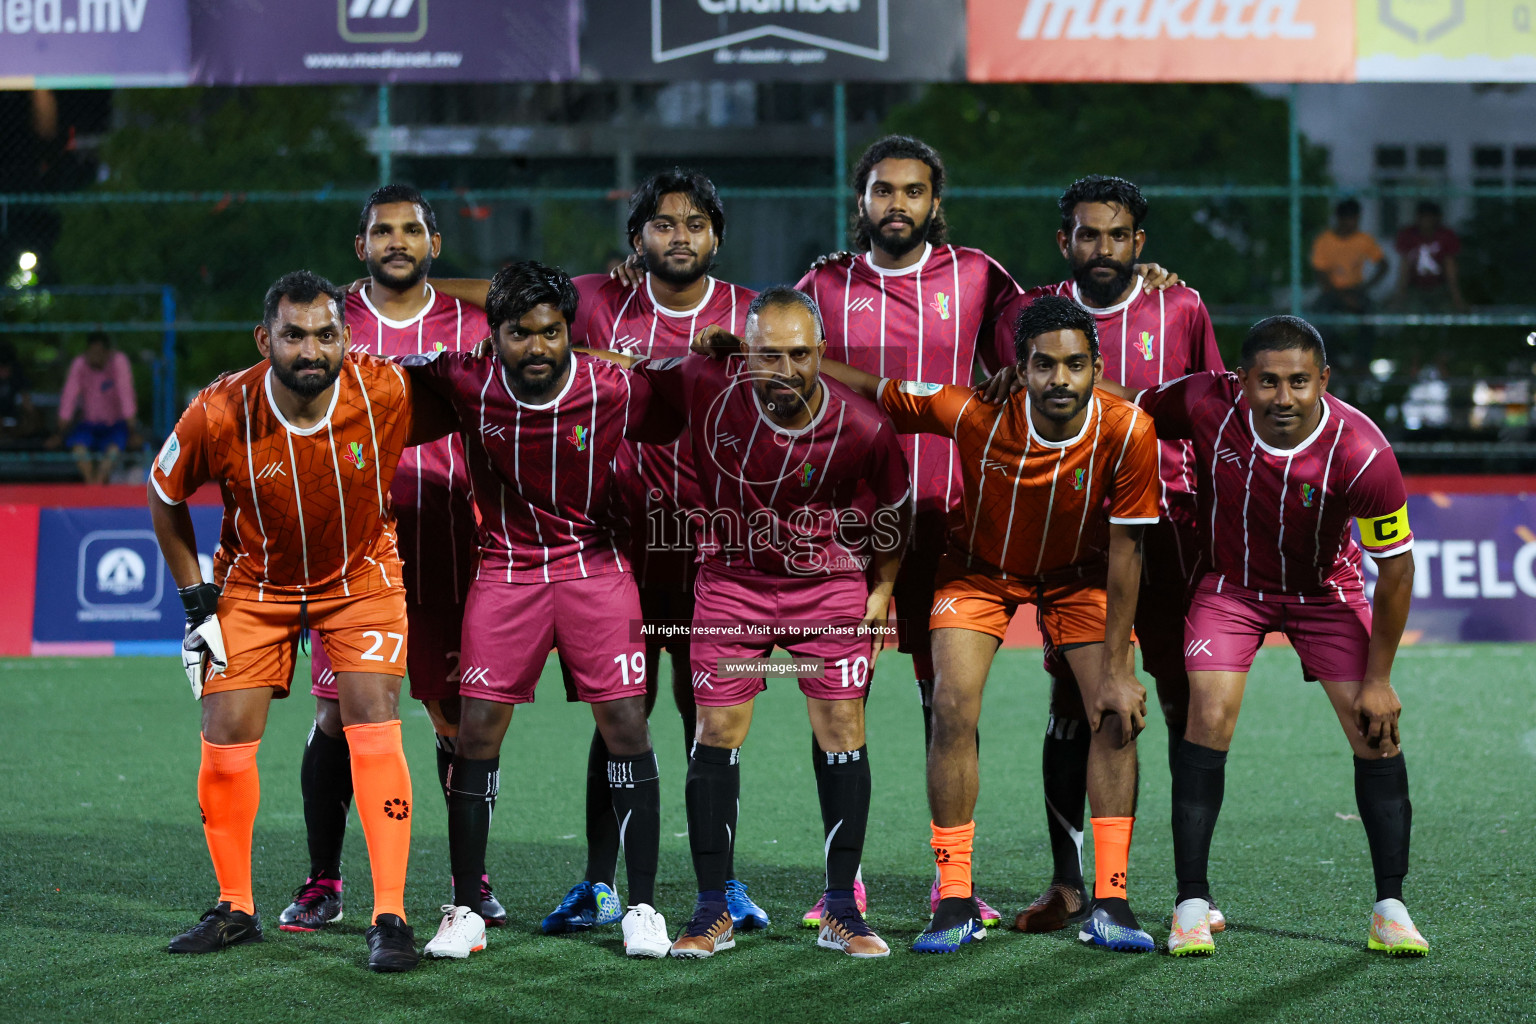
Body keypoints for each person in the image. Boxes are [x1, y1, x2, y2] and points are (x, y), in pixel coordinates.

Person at [796, 136, 1179, 928]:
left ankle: (1083, 893)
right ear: (860, 200)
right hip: (854, 529)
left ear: (937, 202)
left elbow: (1058, 317)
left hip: (963, 531)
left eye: (913, 190)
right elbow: (851, 376)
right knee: (846, 703)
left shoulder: (982, 278)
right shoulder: (823, 282)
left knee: (1084, 704)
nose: (896, 204)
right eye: (881, 190)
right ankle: (846, 884)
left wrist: (1147, 286)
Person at [820, 294, 1162, 954]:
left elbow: (1129, 550)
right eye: (1043, 365)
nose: (1059, 379)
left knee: (1115, 711)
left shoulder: (1129, 429)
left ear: (1096, 366)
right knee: (950, 705)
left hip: (1081, 577)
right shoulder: (973, 411)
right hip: (978, 571)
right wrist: (782, 362)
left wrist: (1119, 669)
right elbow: (876, 391)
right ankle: (954, 900)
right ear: (1020, 368)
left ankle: (1112, 900)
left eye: (1075, 365)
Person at [599, 287, 911, 960]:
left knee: (842, 726)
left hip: (826, 586)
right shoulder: (705, 381)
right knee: (715, 728)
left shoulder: (863, 425)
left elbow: (895, 505)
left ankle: (839, 912)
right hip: (731, 584)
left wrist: (882, 590)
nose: (785, 368)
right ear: (743, 353)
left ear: (821, 353)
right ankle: (712, 911)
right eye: (767, 354)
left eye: (800, 354)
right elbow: (615, 373)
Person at [1102, 315, 1424, 957]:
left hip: (1324, 596)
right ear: (1241, 379)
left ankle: (1390, 907)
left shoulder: (1363, 451)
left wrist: (1381, 680)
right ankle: (1192, 903)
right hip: (1233, 589)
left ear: (1323, 380)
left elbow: (1396, 570)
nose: (1284, 397)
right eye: (1269, 381)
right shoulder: (1203, 401)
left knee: (1375, 732)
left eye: (1300, 382)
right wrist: (1052, 390)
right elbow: (1125, 406)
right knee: (1207, 718)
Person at [148, 271, 437, 972]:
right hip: (253, 587)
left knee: (372, 714)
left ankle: (390, 915)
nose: (312, 348)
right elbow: (163, 495)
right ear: (265, 339)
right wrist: (195, 599)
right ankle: (235, 907)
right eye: (294, 334)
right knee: (225, 733)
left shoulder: (388, 390)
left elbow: (483, 399)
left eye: (327, 333)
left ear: (347, 336)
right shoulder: (218, 412)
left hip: (361, 579)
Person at [406, 261, 667, 960]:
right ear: (494, 335)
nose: (538, 347)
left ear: (569, 333)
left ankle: (642, 907)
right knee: (475, 732)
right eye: (520, 333)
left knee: (626, 723)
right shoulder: (463, 379)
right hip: (507, 572)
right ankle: (464, 910)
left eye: (551, 332)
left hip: (596, 568)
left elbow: (682, 401)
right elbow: (389, 374)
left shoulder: (611, 384)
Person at [988, 176, 1227, 935]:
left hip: (1173, 530)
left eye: (1117, 236)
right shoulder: (1030, 316)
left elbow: (1212, 414)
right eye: (1087, 235)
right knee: (1073, 707)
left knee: (1184, 703)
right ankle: (1068, 885)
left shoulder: (1180, 307)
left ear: (1139, 244)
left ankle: (1194, 889)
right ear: (1065, 242)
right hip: (1078, 541)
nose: (1103, 250)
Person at [279, 185, 501, 935]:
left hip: (447, 538)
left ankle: (470, 882)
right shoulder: (329, 320)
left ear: (435, 244)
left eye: (412, 230)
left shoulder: (474, 322)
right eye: (382, 231)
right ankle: (322, 880)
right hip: (350, 548)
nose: (397, 242)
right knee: (336, 714)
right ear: (360, 246)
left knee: (456, 717)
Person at [551, 168, 767, 936]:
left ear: (716, 236)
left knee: (713, 713)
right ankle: (597, 883)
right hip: (620, 543)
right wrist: (412, 281)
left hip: (717, 545)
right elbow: (499, 302)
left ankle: (726, 883)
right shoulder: (595, 301)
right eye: (664, 223)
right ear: (637, 237)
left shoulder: (749, 313)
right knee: (621, 713)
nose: (680, 236)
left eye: (695, 223)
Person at [1310, 199, 1387, 366]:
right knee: (1322, 318)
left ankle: (1361, 363)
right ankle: (1331, 362)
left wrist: (1365, 287)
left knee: (1369, 317)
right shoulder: (1324, 241)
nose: (1353, 224)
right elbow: (1321, 275)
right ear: (1340, 219)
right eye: (1350, 219)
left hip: (1355, 290)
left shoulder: (1363, 239)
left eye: (1356, 219)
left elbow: (1383, 264)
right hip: (1332, 291)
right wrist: (1342, 297)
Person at [57, 331, 138, 484]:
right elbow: (69, 396)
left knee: (113, 451)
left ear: (108, 353)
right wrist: (60, 430)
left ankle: (98, 485)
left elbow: (126, 394)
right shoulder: (80, 363)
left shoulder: (118, 362)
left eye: (99, 353)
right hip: (89, 425)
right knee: (78, 448)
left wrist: (132, 429)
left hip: (116, 425)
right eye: (91, 352)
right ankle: (91, 486)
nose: (95, 357)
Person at [1392, 200, 1466, 313]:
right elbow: (1404, 266)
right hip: (1415, 288)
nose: (1427, 222)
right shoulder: (1408, 235)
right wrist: (1400, 294)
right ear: (1418, 218)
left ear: (1437, 219)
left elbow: (1450, 267)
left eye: (1430, 218)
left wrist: (1456, 296)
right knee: (1411, 312)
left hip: (1440, 288)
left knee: (1447, 314)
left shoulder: (1446, 235)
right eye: (1423, 217)